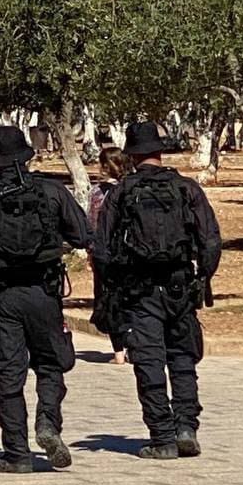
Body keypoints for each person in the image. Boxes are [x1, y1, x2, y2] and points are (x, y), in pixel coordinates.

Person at [0, 127, 88, 474]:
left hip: (3, 297)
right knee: (51, 364)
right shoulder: (52, 191)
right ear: (27, 157)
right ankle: (48, 422)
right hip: (45, 293)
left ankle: (16, 453)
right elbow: (83, 234)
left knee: (9, 373)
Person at [92, 122, 222, 461]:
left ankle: (162, 436)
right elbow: (210, 240)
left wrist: (110, 287)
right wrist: (202, 278)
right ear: (159, 151)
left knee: (149, 361)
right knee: (183, 359)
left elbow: (102, 248)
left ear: (132, 156)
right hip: (180, 287)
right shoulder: (187, 189)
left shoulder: (121, 192)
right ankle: (186, 428)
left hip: (139, 291)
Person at [89, 147, 132, 364]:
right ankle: (135, 347)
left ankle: (118, 352)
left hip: (105, 255)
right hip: (131, 254)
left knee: (109, 299)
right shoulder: (133, 188)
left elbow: (92, 226)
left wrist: (91, 253)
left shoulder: (98, 193)